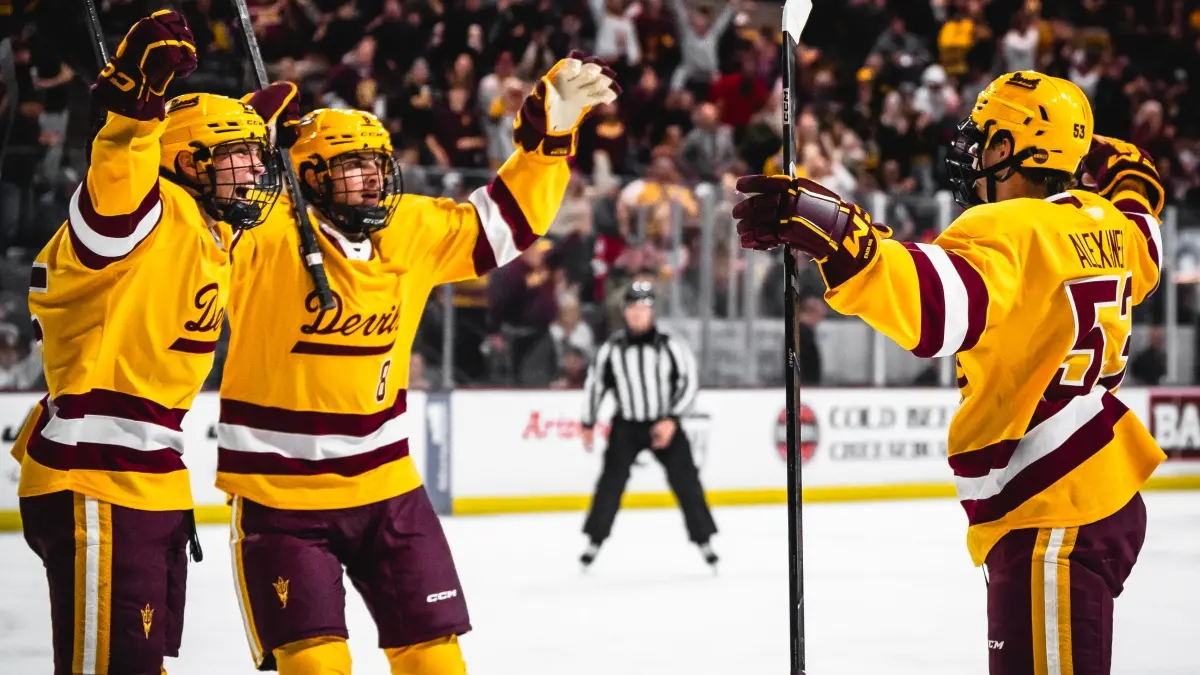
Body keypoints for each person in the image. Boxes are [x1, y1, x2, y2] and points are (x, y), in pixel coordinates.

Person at [733, 71, 1168, 674]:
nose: (974, 151)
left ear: (1016, 150)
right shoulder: (1107, 223)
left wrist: (841, 237)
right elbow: (1145, 232)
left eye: (988, 138)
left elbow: (938, 309)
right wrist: (1135, 178)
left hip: (1052, 511)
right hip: (1093, 497)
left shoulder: (1008, 228)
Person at [216, 52, 619, 674]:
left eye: (377, 165)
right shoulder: (260, 231)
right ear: (312, 175)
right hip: (281, 498)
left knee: (436, 663)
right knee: (316, 668)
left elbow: (508, 223)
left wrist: (548, 144)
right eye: (353, 166)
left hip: (390, 489)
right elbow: (189, 227)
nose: (374, 180)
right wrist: (238, 152)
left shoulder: (410, 226)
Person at [9, 11, 282, 674]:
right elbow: (122, 177)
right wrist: (134, 108)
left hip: (149, 477)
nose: (254, 171)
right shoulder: (142, 209)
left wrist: (246, 124)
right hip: (95, 474)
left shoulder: (212, 227)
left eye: (255, 156)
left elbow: (235, 204)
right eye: (239, 157)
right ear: (187, 161)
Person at [579, 281, 718, 570]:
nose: (637, 314)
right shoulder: (612, 349)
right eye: (632, 308)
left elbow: (689, 383)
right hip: (627, 424)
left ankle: (704, 540)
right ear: (625, 312)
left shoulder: (671, 345)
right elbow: (595, 386)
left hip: (664, 421)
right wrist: (588, 422)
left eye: (643, 308)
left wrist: (672, 419)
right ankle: (595, 540)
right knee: (610, 482)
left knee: (686, 481)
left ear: (651, 310)